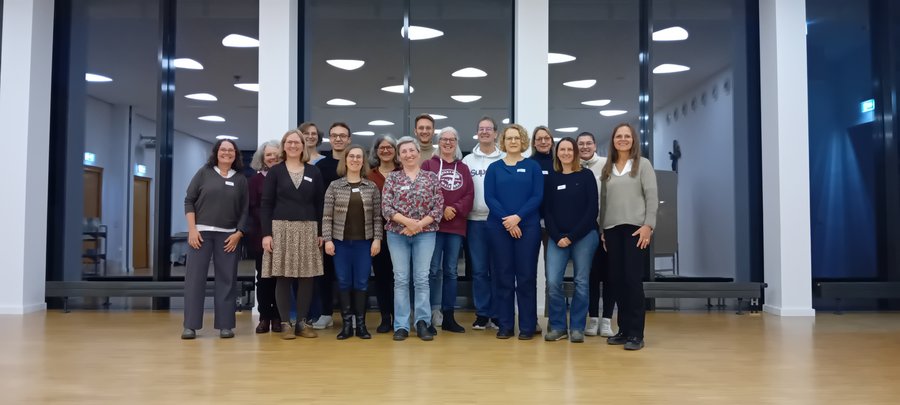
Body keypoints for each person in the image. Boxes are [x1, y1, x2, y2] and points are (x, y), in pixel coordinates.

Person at [260, 129, 325, 340]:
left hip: (308, 229)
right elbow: (266, 204)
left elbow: (320, 204)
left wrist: (321, 232)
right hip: (281, 229)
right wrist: (266, 234)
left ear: (303, 146)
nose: (293, 145)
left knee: (307, 277)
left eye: (297, 142)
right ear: (284, 145)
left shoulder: (314, 172)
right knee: (283, 276)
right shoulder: (275, 172)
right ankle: (286, 323)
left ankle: (302, 323)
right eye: (289, 142)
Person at [181, 139, 249, 339]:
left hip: (229, 237)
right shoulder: (204, 173)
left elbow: (245, 210)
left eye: (231, 150)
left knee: (227, 280)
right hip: (200, 235)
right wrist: (192, 230)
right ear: (216, 153)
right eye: (223, 149)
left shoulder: (240, 179)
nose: (227, 153)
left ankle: (225, 326)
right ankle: (190, 326)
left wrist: (238, 233)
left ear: (236, 154)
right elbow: (189, 201)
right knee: (195, 280)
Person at [599, 123, 658, 351]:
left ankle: (636, 333)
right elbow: (604, 202)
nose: (622, 139)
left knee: (632, 281)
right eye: (618, 136)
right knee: (617, 280)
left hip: (636, 230)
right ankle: (623, 330)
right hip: (612, 230)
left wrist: (648, 226)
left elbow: (652, 197)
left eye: (627, 136)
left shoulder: (643, 165)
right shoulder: (608, 167)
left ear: (633, 140)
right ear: (613, 140)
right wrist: (603, 230)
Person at [484, 124, 544, 340]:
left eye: (516, 138)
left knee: (526, 277)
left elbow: (537, 196)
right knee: (503, 277)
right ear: (503, 142)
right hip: (498, 228)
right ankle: (505, 325)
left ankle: (527, 326)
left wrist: (517, 218)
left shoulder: (533, 167)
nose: (512, 141)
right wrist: (508, 221)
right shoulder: (494, 168)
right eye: (509, 138)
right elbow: (490, 197)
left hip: (528, 228)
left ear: (523, 141)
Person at [381, 136, 444, 341]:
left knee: (421, 279)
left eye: (411, 150)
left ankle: (422, 322)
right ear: (399, 157)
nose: (408, 154)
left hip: (425, 234)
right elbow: (386, 207)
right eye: (404, 152)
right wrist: (409, 223)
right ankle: (401, 325)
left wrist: (418, 225)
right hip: (397, 234)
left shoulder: (431, 177)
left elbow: (438, 207)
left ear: (418, 153)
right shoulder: (393, 178)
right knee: (401, 279)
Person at [541, 138, 599, 343]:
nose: (565, 153)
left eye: (569, 149)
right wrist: (558, 237)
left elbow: (592, 210)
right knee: (553, 282)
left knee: (581, 282)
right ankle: (558, 327)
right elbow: (547, 211)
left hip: (584, 236)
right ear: (557, 153)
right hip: (557, 238)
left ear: (575, 152)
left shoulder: (586, 175)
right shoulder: (551, 178)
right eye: (562, 149)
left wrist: (572, 236)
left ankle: (577, 327)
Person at [323, 145, 382, 340]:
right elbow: (327, 216)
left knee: (362, 282)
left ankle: (361, 325)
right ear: (345, 160)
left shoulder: (371, 187)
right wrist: (328, 240)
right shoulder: (334, 186)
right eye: (351, 156)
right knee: (343, 281)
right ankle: (347, 325)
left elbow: (377, 217)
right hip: (340, 243)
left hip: (364, 243)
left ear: (363, 161)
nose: (355, 160)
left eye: (359, 157)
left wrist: (377, 239)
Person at [421, 127, 474, 334]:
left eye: (452, 139)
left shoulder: (464, 168)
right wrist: (441, 209)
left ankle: (449, 316)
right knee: (432, 270)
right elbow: (423, 192)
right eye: (444, 139)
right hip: (433, 225)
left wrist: (455, 209)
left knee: (451, 271)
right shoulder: (428, 165)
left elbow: (469, 194)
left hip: (455, 227)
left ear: (457, 142)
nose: (448, 143)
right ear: (439, 141)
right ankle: (429, 315)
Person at [461, 116, 505, 330]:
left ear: (496, 133)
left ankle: (497, 314)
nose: (485, 132)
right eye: (481, 129)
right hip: (474, 222)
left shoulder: (504, 158)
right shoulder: (467, 161)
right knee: (479, 270)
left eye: (489, 129)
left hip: (499, 222)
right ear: (477, 133)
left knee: (498, 269)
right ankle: (482, 313)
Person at [310, 122, 353, 329]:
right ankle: (326, 313)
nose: (338, 139)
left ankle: (352, 314)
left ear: (349, 139)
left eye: (342, 135)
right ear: (329, 139)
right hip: (327, 228)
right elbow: (316, 200)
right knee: (325, 273)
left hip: (353, 229)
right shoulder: (320, 166)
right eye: (334, 135)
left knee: (351, 274)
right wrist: (320, 230)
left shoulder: (356, 163)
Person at [577, 131, 615, 337]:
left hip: (607, 227)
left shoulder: (606, 165)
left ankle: (607, 319)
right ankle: (592, 318)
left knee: (609, 275)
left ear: (594, 145)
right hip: (586, 230)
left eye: (588, 143)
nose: (584, 147)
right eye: (581, 143)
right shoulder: (573, 166)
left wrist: (606, 227)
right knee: (590, 275)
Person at [248, 140, 282, 334]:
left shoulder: (286, 178)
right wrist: (266, 231)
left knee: (280, 279)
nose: (272, 158)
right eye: (269, 155)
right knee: (263, 279)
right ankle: (264, 317)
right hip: (261, 236)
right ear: (262, 158)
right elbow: (252, 209)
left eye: (276, 155)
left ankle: (277, 316)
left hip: (284, 235)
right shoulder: (254, 181)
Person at [366, 135, 400, 333]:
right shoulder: (369, 176)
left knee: (399, 279)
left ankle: (400, 317)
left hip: (401, 234)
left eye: (390, 147)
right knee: (381, 278)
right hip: (377, 236)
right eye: (382, 148)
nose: (386, 151)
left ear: (395, 151)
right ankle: (385, 317)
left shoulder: (403, 173)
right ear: (376, 151)